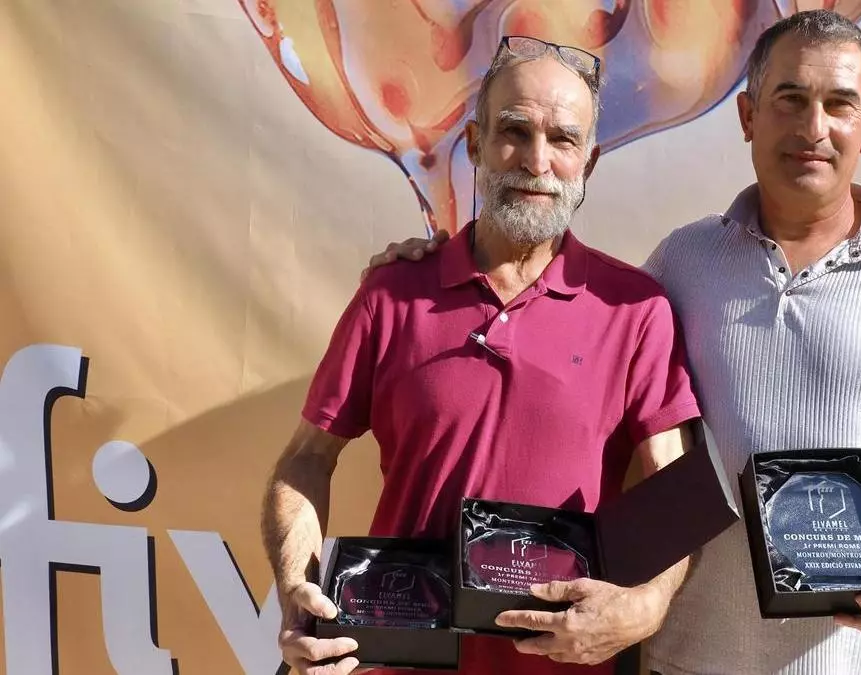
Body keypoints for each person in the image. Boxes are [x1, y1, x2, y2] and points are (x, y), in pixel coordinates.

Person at [366, 10, 861, 675]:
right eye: (789, 99)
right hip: (691, 660)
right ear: (748, 116)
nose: (814, 127)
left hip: (859, 663)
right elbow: (556, 321)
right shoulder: (682, 264)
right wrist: (430, 265)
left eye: (840, 104)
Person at [261, 35, 702, 675]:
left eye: (563, 140)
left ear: (590, 162)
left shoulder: (636, 310)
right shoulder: (392, 294)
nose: (537, 161)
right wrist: (297, 589)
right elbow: (305, 459)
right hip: (395, 660)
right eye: (515, 132)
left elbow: (673, 490)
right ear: (474, 143)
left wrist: (648, 605)